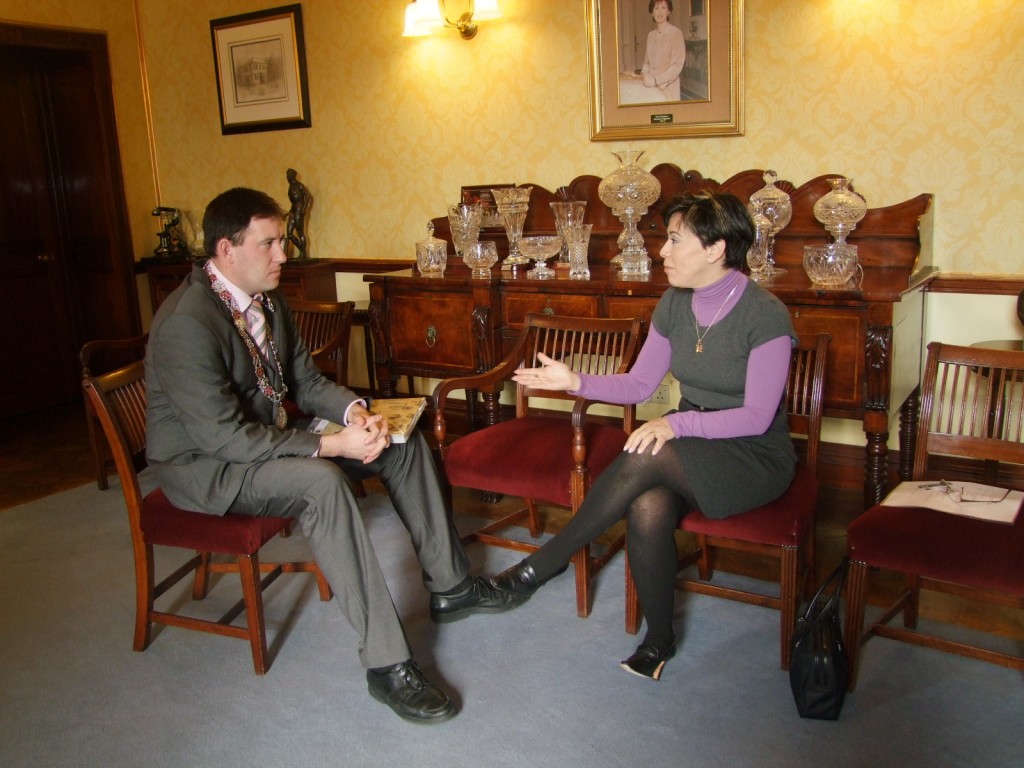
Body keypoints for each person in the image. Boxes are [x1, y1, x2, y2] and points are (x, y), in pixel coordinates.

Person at [144, 187, 523, 723]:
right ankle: (387, 664)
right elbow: (223, 440)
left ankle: (452, 586)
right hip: (208, 469)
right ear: (227, 250)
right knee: (321, 483)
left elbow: (304, 377)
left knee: (401, 438)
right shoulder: (187, 323)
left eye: (281, 241)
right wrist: (329, 445)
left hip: (262, 435)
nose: (283, 255)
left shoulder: (267, 300)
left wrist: (354, 415)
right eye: (270, 243)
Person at [489, 192, 797, 681]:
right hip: (693, 444)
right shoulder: (675, 303)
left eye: (675, 240)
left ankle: (542, 565)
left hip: (752, 454)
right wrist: (575, 383)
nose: (662, 252)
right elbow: (638, 384)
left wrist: (675, 422)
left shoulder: (766, 315)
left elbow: (757, 417)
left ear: (716, 248)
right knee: (647, 504)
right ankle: (659, 641)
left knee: (647, 452)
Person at [625, 0, 686, 103]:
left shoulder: (676, 34)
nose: (659, 12)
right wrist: (645, 74)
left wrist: (656, 80)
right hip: (651, 89)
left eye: (663, 8)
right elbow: (647, 62)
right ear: (652, 13)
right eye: (656, 8)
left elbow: (677, 65)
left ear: (668, 12)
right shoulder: (650, 35)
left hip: (668, 88)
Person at [285, 168, 311, 258]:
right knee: (289, 233)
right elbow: (293, 202)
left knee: (300, 233)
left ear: (293, 175)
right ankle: (301, 249)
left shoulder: (299, 185)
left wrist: (304, 208)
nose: (287, 177)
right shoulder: (290, 187)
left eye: (288, 175)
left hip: (299, 211)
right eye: (287, 175)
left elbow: (308, 196)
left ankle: (303, 253)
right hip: (293, 211)